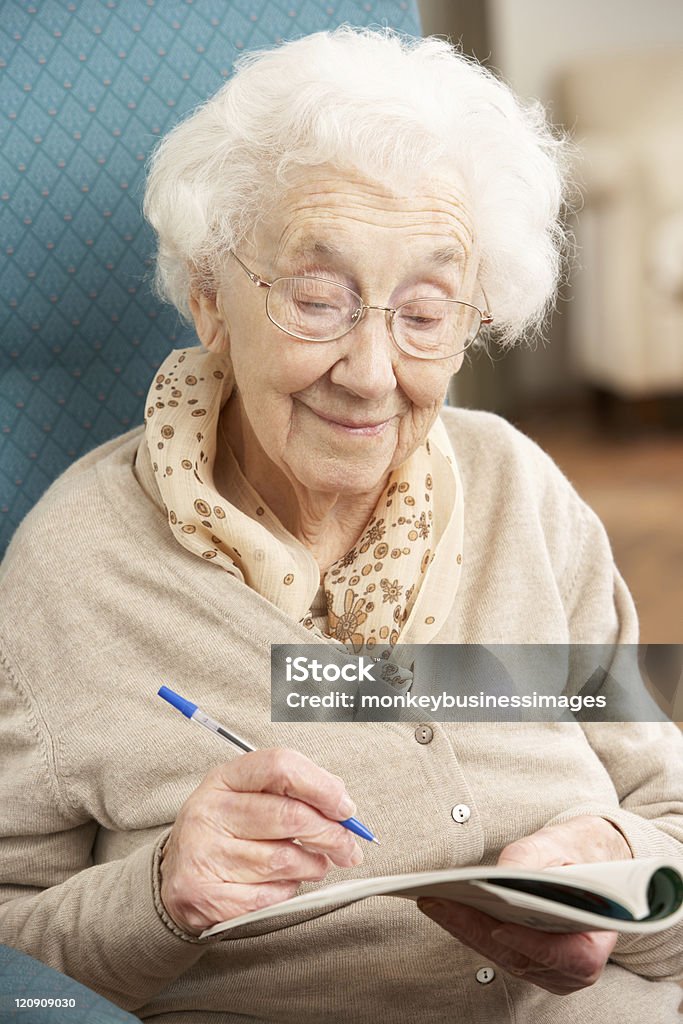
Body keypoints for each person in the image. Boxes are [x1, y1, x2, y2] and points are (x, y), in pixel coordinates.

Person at [0, 27, 681, 1024]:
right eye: (316, 301)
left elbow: (667, 817)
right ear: (206, 293)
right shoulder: (75, 570)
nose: (369, 373)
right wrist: (158, 896)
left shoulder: (518, 491)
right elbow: (14, 958)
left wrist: (618, 874)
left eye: (423, 310)